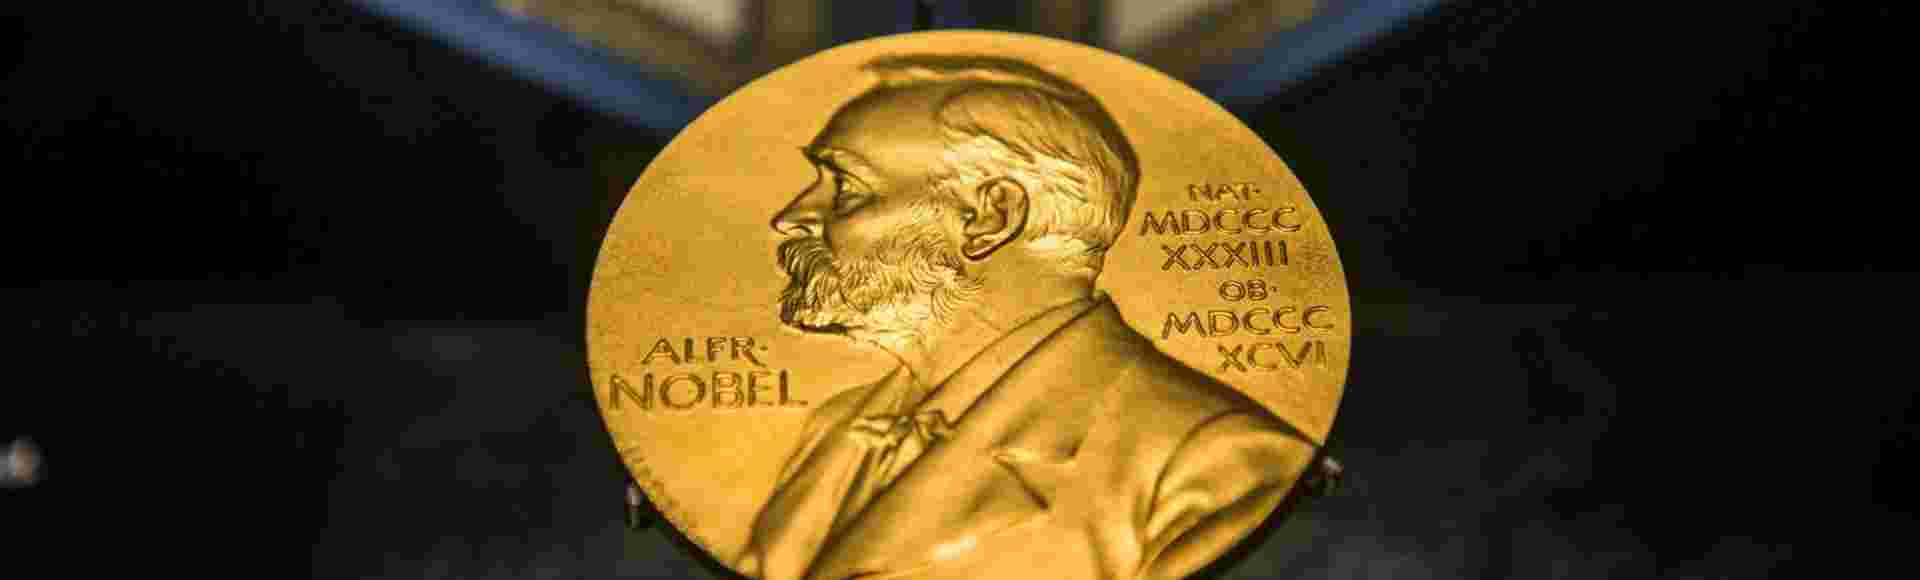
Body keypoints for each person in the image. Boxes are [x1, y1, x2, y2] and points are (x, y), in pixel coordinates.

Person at [738, 54, 1319, 580]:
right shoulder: (838, 427)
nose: (791, 217)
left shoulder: (1214, 470)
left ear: (989, 217)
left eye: (845, 188)